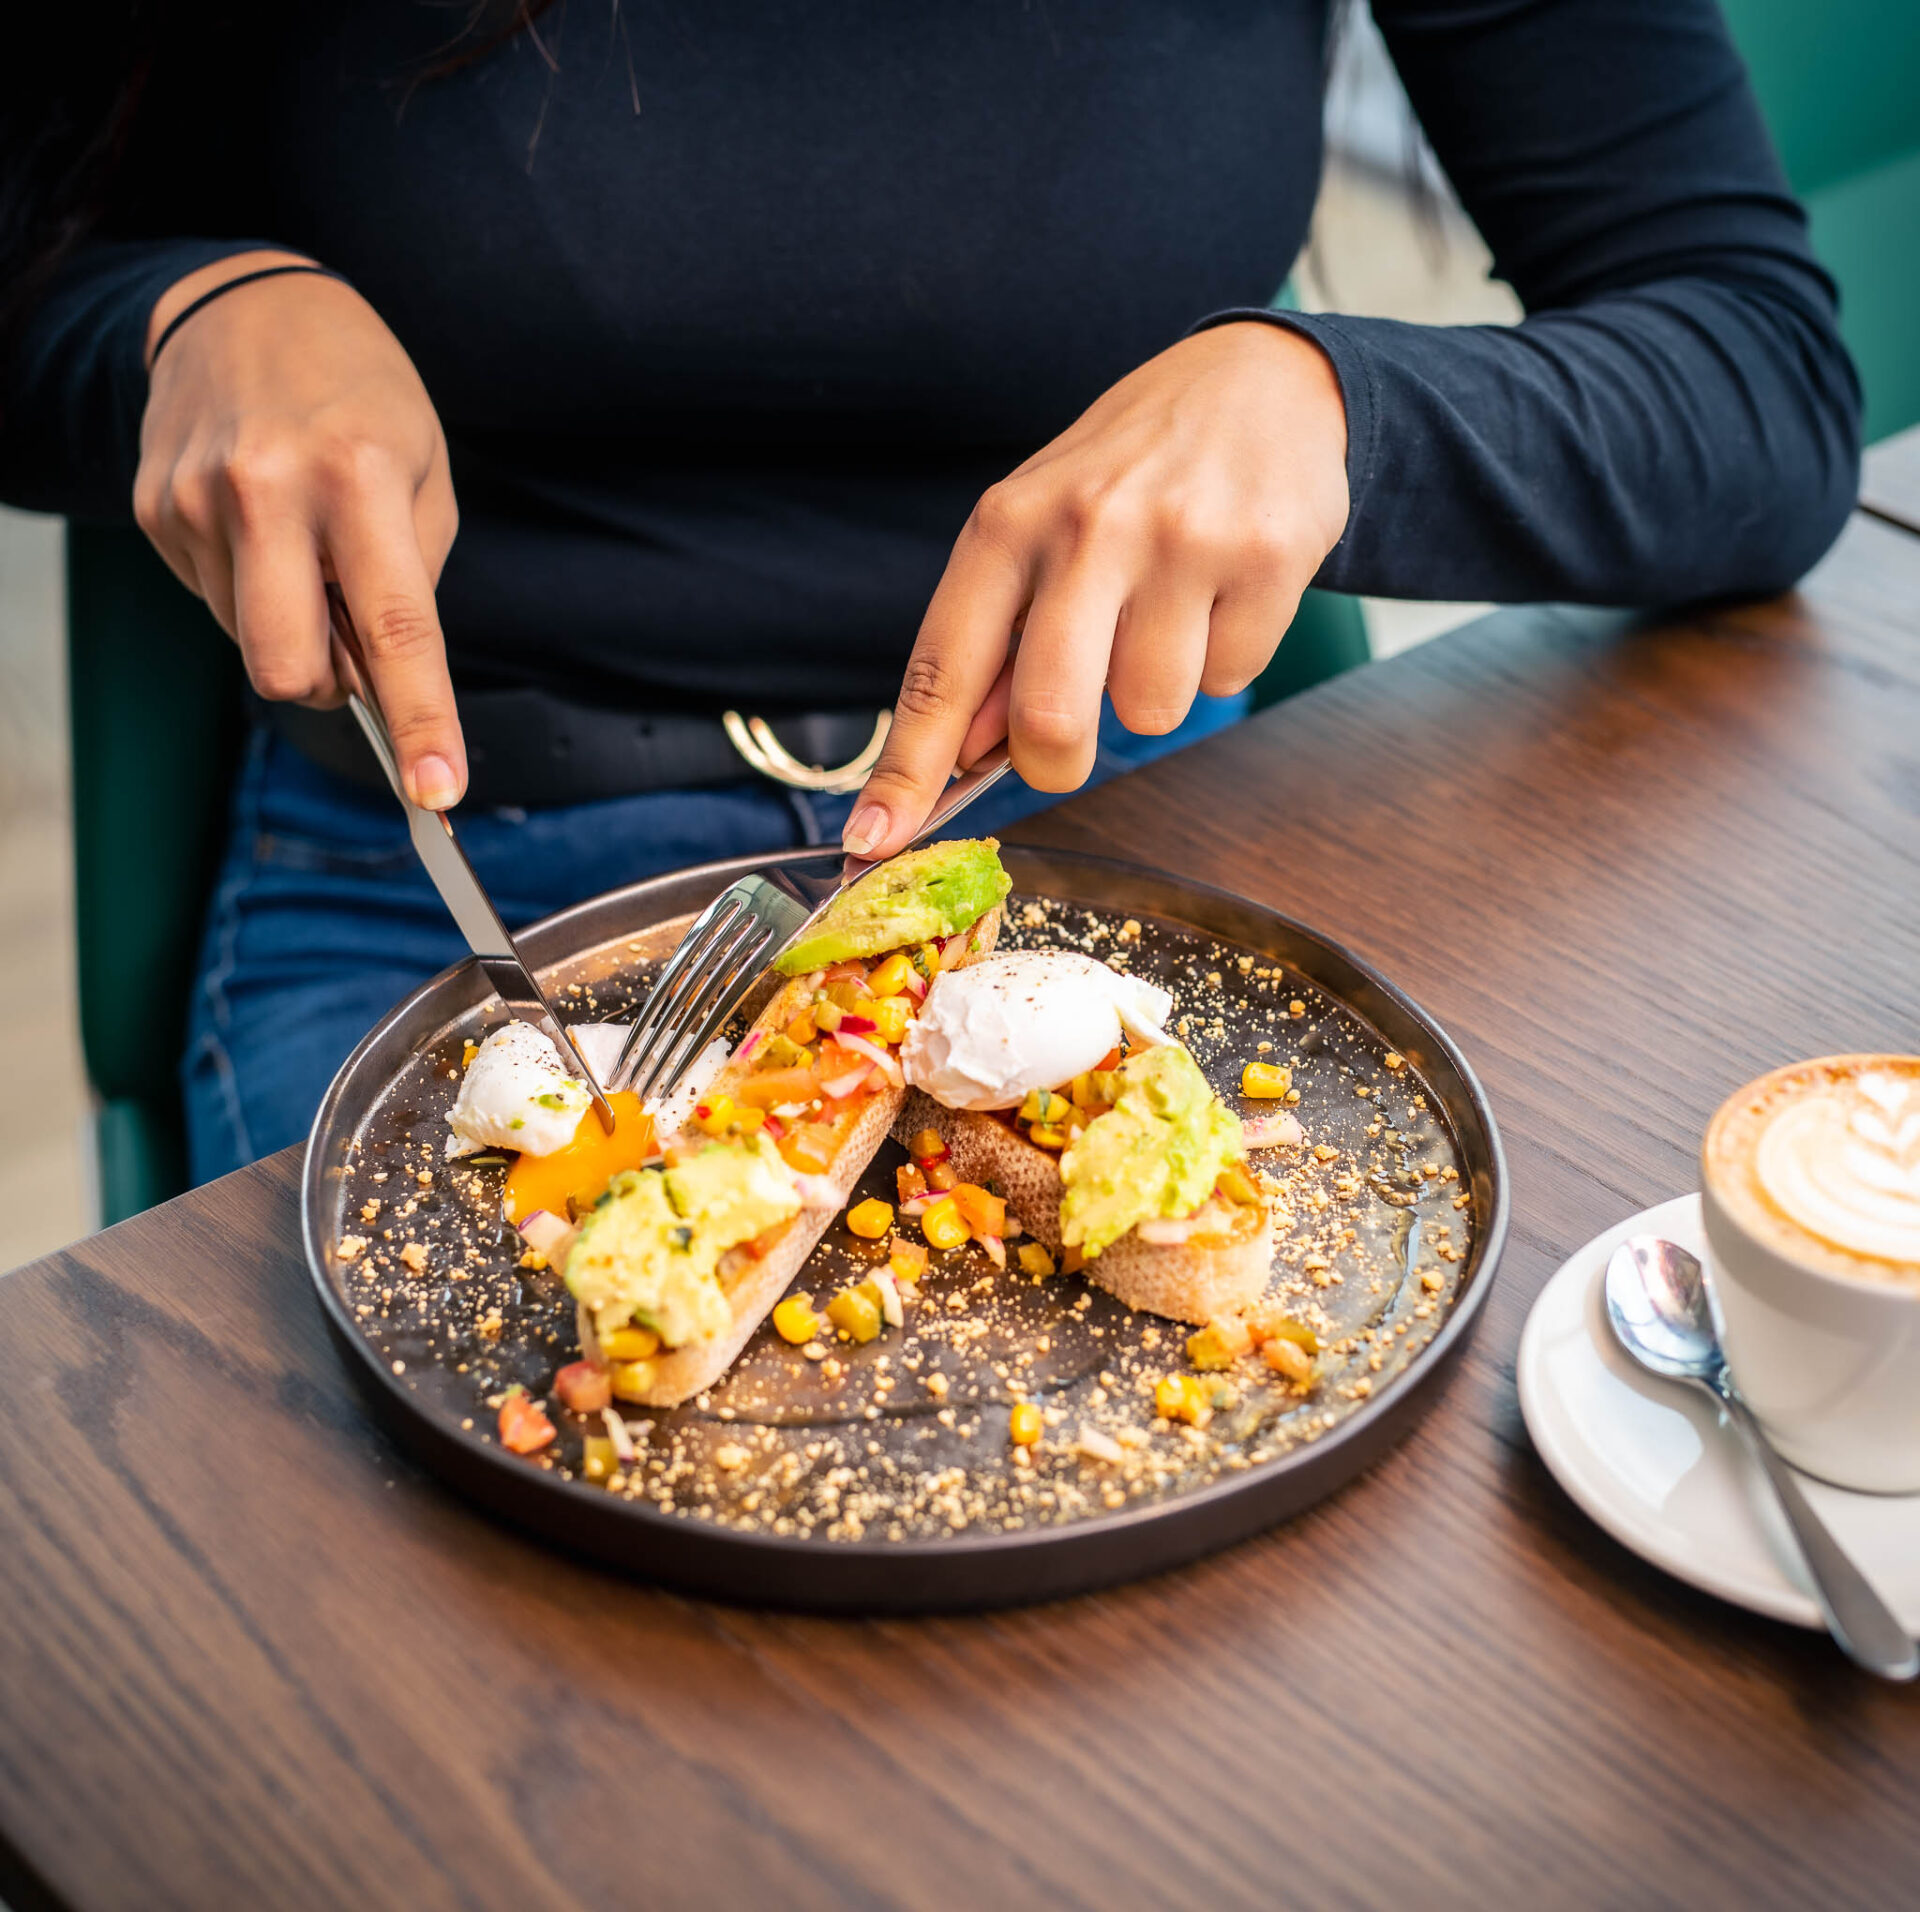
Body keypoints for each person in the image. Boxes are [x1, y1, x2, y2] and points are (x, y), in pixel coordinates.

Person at [0, 2, 1859, 1183]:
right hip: (465, 878)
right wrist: (182, 317)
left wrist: (1338, 405)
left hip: (1121, 829)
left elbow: (1761, 390)